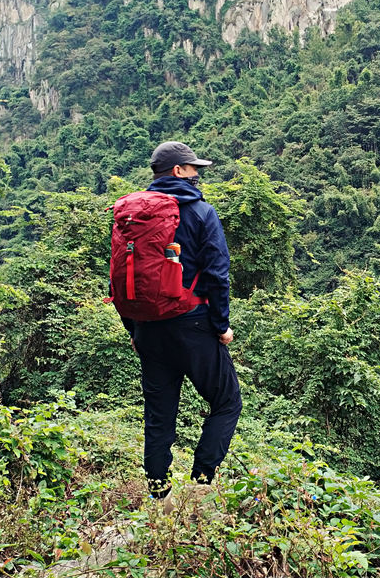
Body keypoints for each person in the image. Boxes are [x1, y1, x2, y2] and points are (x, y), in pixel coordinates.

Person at [120, 141, 242, 502]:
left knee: (159, 415)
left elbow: (123, 277)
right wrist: (221, 326)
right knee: (227, 402)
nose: (197, 174)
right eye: (193, 168)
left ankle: (159, 493)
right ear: (177, 171)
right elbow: (218, 274)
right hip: (193, 324)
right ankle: (201, 483)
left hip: (148, 328)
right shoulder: (201, 212)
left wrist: (134, 328)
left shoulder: (134, 214)